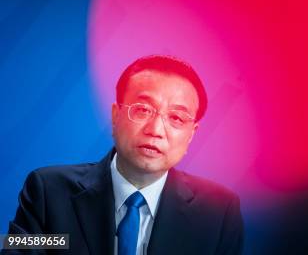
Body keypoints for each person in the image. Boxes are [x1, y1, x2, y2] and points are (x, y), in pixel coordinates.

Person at [4, 55, 243, 255]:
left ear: (191, 135)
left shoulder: (218, 212)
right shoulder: (48, 191)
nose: (155, 130)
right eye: (142, 110)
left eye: (176, 118)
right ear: (116, 116)